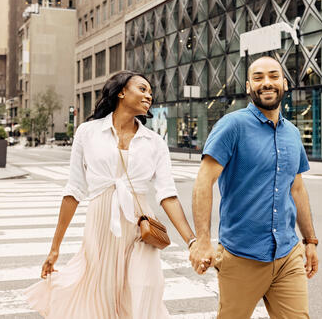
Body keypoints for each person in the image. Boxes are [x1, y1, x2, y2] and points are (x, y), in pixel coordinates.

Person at [25, 71, 196, 318]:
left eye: (150, 91)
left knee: (143, 292)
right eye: (142, 88)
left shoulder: (154, 142)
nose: (149, 95)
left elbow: (168, 195)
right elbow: (73, 191)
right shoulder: (87, 132)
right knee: (101, 296)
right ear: (121, 92)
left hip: (141, 228)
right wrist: (55, 248)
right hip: (101, 227)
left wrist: (192, 241)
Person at [190, 56, 319, 318]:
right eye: (258, 78)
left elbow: (296, 189)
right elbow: (204, 181)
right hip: (241, 256)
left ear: (284, 83)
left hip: (287, 254)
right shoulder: (232, 126)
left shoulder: (292, 133)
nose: (267, 83)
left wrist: (310, 241)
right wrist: (203, 240)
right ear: (249, 87)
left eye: (273, 76)